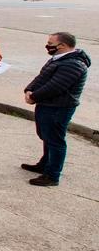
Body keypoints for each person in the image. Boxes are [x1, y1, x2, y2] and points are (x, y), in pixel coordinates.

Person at [22, 32, 91, 187]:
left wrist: (34, 97)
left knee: (55, 141)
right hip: (47, 105)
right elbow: (42, 77)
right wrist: (29, 89)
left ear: (63, 45)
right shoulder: (58, 59)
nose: (48, 46)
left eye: (51, 43)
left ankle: (52, 175)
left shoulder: (73, 64)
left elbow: (55, 86)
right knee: (47, 136)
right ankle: (45, 164)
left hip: (58, 108)